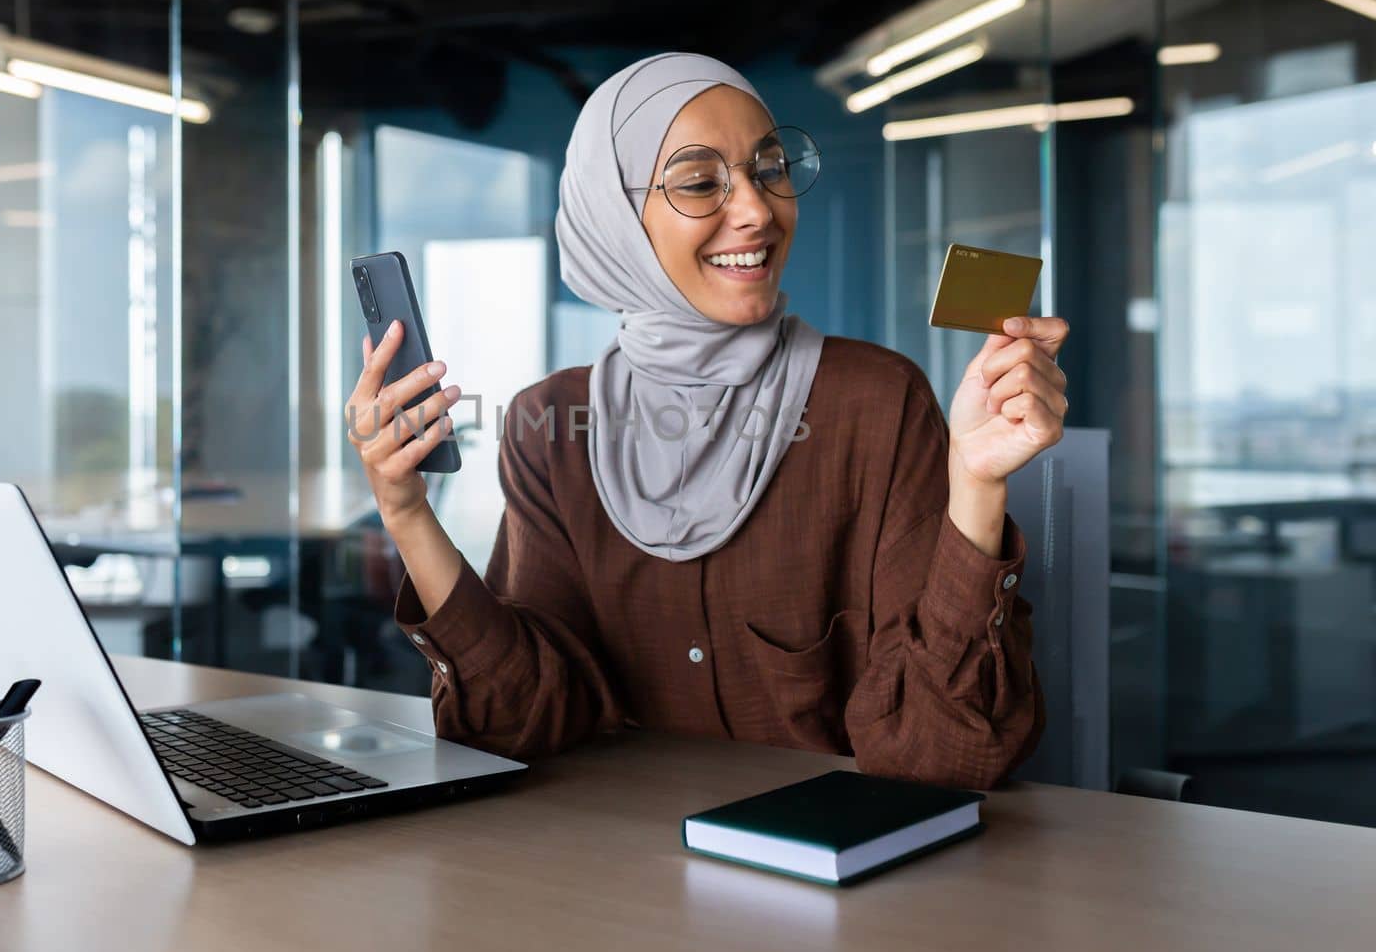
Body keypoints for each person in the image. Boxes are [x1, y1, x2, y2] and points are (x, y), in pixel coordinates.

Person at [344, 53, 1068, 789]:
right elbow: (521, 720)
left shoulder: (879, 403)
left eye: (771, 169)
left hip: (835, 880)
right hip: (605, 878)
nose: (757, 209)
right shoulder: (550, 425)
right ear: (618, 220)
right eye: (700, 182)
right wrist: (406, 515)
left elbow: (939, 756)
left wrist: (976, 486)